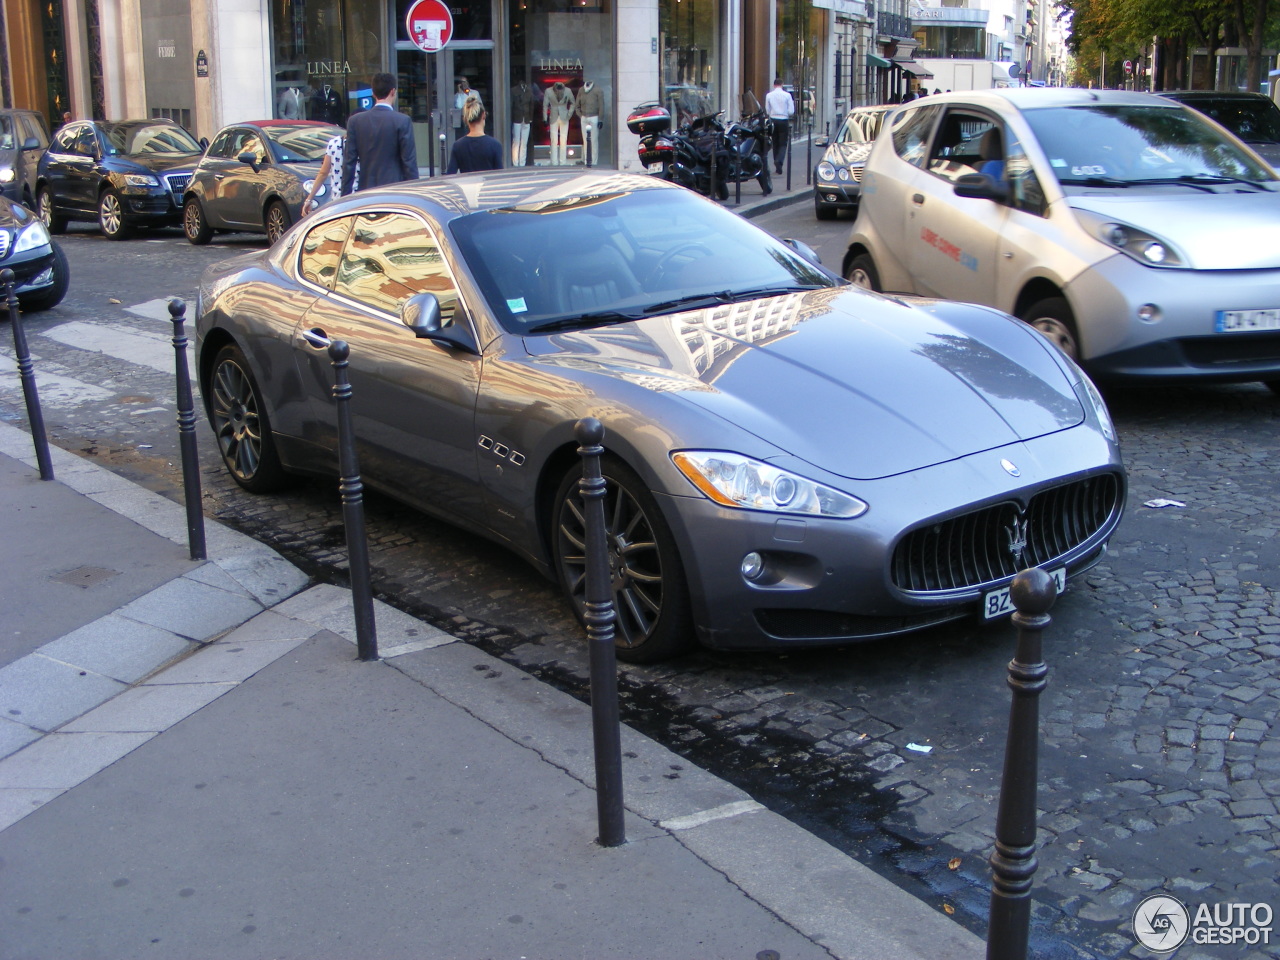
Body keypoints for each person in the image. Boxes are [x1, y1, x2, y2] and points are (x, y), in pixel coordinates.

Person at [341, 72, 417, 195]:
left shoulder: (355, 121)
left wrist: (345, 196)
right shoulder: (402, 121)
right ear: (393, 92)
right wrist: (415, 194)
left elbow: (349, 163)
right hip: (394, 189)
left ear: (373, 93)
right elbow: (409, 163)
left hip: (366, 189)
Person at [303, 132, 359, 214]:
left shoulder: (334, 143)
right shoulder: (364, 145)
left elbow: (323, 173)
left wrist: (309, 199)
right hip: (360, 199)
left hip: (338, 200)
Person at [446, 95, 503, 174]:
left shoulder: (458, 146)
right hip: (487, 185)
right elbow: (499, 176)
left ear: (466, 119)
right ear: (483, 115)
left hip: (466, 185)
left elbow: (450, 174)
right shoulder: (495, 145)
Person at [764, 77, 794, 175]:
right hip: (783, 119)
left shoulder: (769, 95)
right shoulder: (787, 95)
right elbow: (791, 111)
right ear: (782, 84)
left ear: (774, 85)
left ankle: (777, 165)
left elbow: (767, 109)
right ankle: (779, 160)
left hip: (773, 119)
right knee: (783, 143)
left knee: (775, 142)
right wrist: (785, 112)